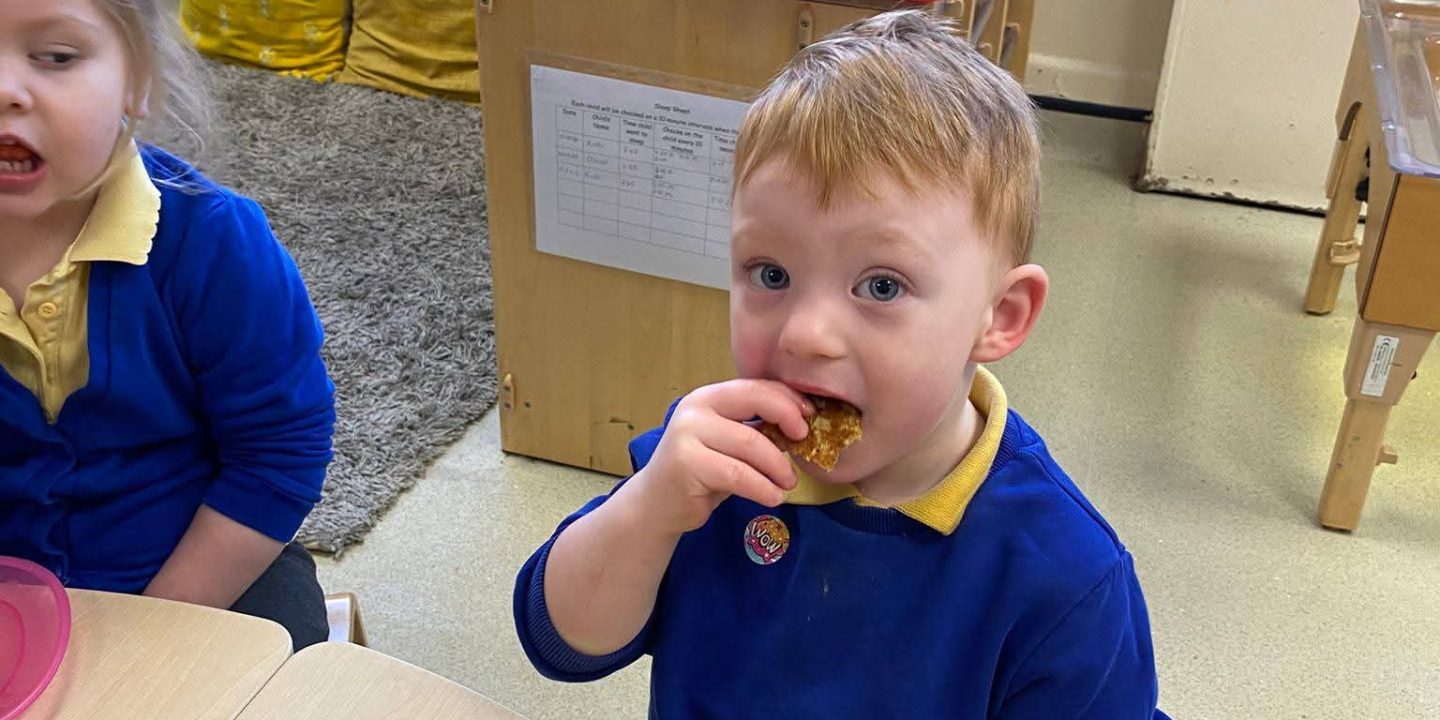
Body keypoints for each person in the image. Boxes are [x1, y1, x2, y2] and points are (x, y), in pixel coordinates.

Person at [515, 10, 1168, 718]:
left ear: (1000, 315)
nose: (806, 335)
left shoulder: (1064, 578)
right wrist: (650, 510)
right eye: (770, 274)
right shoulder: (715, 464)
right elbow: (562, 643)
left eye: (881, 286)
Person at [0, 0, 333, 650]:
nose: (6, 89)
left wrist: (155, 632)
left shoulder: (213, 241)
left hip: (201, 570)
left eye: (57, 57)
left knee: (276, 660)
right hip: (17, 605)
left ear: (139, 80)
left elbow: (277, 454)